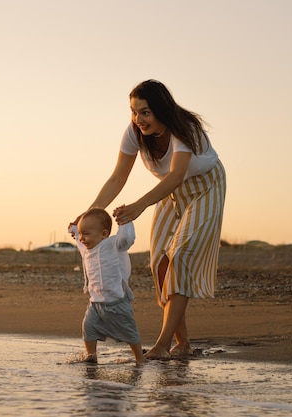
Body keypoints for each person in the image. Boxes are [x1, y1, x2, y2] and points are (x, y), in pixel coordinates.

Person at [71, 80, 226, 359]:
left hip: (205, 187)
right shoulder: (133, 133)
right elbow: (118, 177)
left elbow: (177, 174)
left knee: (179, 256)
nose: (138, 119)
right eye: (134, 112)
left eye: (145, 112)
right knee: (160, 264)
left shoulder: (184, 128)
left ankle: (163, 345)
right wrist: (88, 214)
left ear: (161, 110)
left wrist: (140, 205)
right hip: (170, 192)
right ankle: (183, 344)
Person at [69, 207, 146, 364]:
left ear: (104, 234)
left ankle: (140, 359)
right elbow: (78, 241)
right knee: (88, 328)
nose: (82, 238)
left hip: (117, 301)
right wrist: (75, 230)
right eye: (82, 234)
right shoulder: (86, 250)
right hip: (96, 303)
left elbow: (127, 239)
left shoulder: (113, 244)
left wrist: (124, 221)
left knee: (129, 332)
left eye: (87, 234)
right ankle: (91, 356)